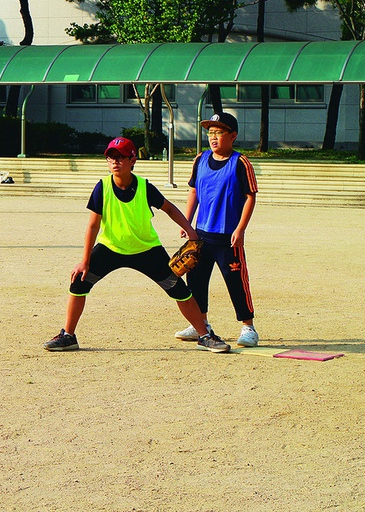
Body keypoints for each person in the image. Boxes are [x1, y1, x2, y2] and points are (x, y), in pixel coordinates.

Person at [43, 136, 231, 353]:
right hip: (111, 247)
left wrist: (190, 232)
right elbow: (93, 226)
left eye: (121, 157)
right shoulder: (102, 187)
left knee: (179, 289)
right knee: (79, 283)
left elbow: (169, 208)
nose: (115, 161)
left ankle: (205, 335)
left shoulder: (144, 186)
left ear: (133, 160)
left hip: (146, 249)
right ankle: (68, 335)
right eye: (111, 157)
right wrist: (84, 261)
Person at [175, 112, 260, 347]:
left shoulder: (240, 162)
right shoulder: (200, 159)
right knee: (196, 281)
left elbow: (250, 196)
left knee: (236, 282)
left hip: (228, 237)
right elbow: (193, 191)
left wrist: (241, 229)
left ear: (232, 135)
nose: (213, 137)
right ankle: (200, 324)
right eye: (210, 132)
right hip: (201, 235)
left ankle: (248, 327)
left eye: (219, 132)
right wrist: (187, 222)